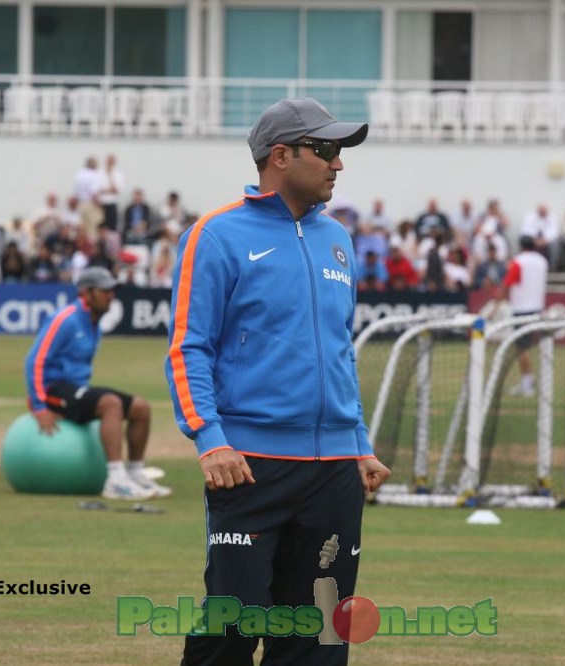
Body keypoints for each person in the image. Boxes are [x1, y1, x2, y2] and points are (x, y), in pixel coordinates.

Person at [165, 97, 390, 665]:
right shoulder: (214, 236)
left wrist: (358, 444)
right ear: (281, 156)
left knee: (319, 636)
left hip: (334, 472)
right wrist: (209, 438)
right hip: (248, 464)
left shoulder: (338, 238)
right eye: (327, 150)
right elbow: (187, 349)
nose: (338, 164)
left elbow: (340, 353)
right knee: (232, 629)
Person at [25, 267, 169, 500]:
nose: (111, 295)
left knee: (141, 407)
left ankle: (135, 473)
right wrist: (40, 407)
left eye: (112, 290)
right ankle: (115, 479)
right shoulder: (66, 319)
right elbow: (35, 360)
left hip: (76, 390)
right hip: (55, 390)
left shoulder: (95, 322)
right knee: (110, 404)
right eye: (105, 291)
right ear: (87, 293)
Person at [501, 235, 549, 397]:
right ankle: (535, 381)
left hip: (522, 308)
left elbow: (508, 283)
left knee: (522, 348)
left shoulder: (518, 261)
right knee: (535, 347)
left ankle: (527, 384)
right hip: (538, 308)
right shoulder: (542, 261)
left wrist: (499, 301)